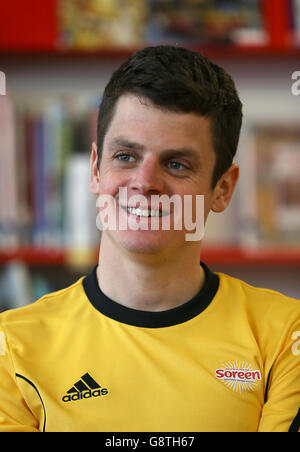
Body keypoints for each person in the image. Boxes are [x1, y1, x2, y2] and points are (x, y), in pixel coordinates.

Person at [0, 46, 299, 433]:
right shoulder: (11, 346)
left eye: (176, 164)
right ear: (95, 168)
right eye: (125, 156)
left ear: (223, 188)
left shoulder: (285, 334)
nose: (145, 184)